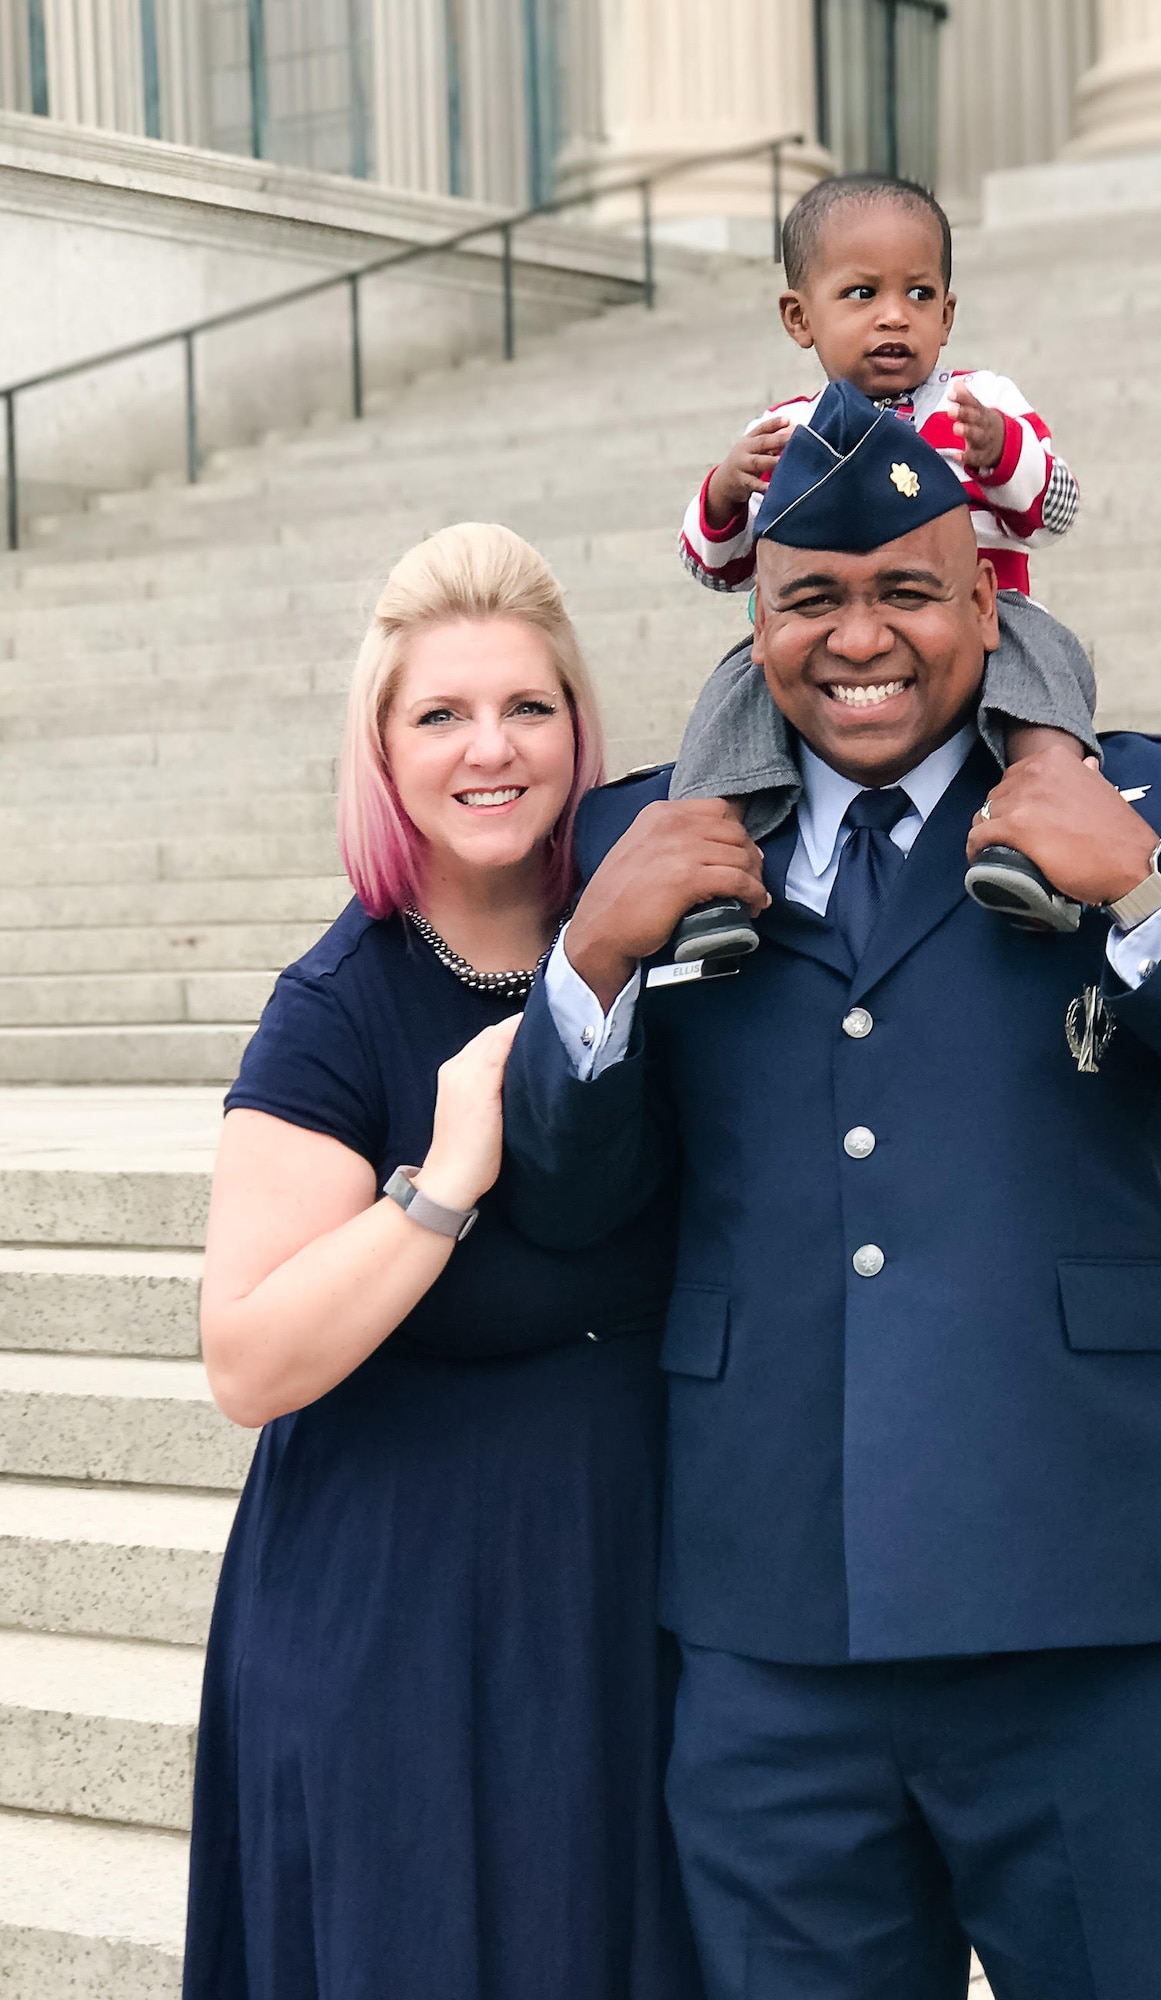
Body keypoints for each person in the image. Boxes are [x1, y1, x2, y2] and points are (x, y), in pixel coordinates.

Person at [499, 402, 1161, 1998]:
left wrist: (1142, 891)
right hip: (774, 1643)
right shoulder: (649, 840)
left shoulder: (1153, 807)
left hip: (1090, 1622)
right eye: (810, 601)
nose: (859, 642)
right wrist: (590, 964)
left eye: (906, 593)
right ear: (755, 619)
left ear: (989, 601)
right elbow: (573, 1211)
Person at [184, 523, 703, 2000]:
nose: (493, 749)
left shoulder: (652, 944)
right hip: (398, 1631)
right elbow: (248, 1358)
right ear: (383, 749)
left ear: (579, 730)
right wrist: (443, 1182)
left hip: (620, 1601)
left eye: (528, 708)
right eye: (442, 714)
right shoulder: (335, 1009)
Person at [670, 173, 1095, 954]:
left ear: (949, 313)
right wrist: (726, 492)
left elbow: (1055, 512)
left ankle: (1038, 828)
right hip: (820, 632)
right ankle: (707, 867)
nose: (894, 316)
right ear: (800, 318)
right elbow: (716, 569)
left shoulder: (978, 398)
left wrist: (1005, 453)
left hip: (983, 618)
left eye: (920, 294)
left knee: (1045, 654)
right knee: (733, 691)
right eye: (861, 293)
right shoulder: (782, 430)